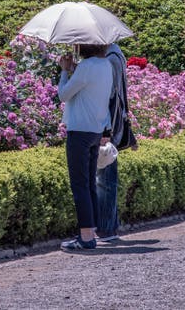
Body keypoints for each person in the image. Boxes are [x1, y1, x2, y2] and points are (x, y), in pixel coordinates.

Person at [56, 42, 113, 251]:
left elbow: (63, 95)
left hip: (79, 130)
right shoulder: (105, 65)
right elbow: (89, 85)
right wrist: (73, 69)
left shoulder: (87, 67)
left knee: (79, 184)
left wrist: (64, 72)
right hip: (96, 129)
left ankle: (86, 236)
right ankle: (92, 231)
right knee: (89, 183)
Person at [96, 43, 129, 243]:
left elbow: (108, 96)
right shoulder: (116, 55)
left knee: (105, 179)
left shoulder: (111, 60)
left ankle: (107, 229)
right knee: (106, 178)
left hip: (107, 126)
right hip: (110, 125)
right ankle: (109, 227)